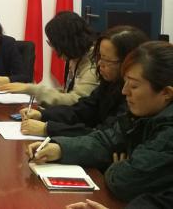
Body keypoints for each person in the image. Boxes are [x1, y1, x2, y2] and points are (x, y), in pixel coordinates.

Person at [27, 41, 173, 202]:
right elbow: (106, 140)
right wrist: (60, 149)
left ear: (166, 93)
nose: (124, 91)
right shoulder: (142, 112)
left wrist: (114, 167)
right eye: (125, 82)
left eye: (134, 86)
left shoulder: (169, 131)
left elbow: (125, 182)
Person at [20, 26, 148, 136]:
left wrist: (48, 129)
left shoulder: (134, 95)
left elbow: (104, 136)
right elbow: (82, 110)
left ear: (128, 62)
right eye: (99, 57)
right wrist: (43, 115)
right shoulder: (109, 83)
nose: (99, 64)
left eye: (107, 60)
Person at [1, 11, 99, 105]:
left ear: (66, 43)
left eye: (52, 44)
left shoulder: (93, 65)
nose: (53, 49)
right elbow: (67, 92)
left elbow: (76, 101)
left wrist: (31, 89)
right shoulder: (75, 57)